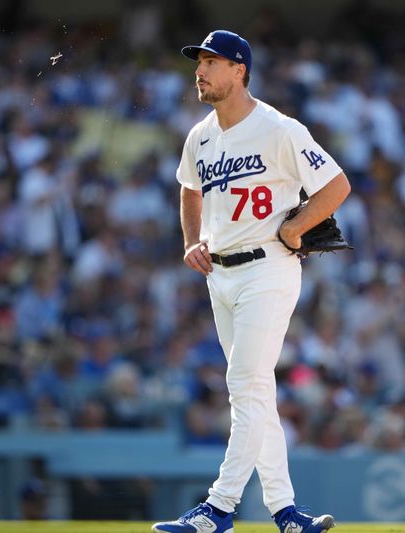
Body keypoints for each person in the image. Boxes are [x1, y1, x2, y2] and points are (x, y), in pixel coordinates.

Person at [152, 30, 350, 533]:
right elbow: (189, 190)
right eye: (198, 60)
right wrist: (191, 240)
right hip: (219, 273)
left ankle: (218, 509)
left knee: (243, 385)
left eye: (211, 61)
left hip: (269, 266)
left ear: (239, 70)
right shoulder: (200, 135)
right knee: (256, 393)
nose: (200, 69)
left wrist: (297, 226)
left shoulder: (279, 128)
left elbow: (336, 185)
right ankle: (286, 513)